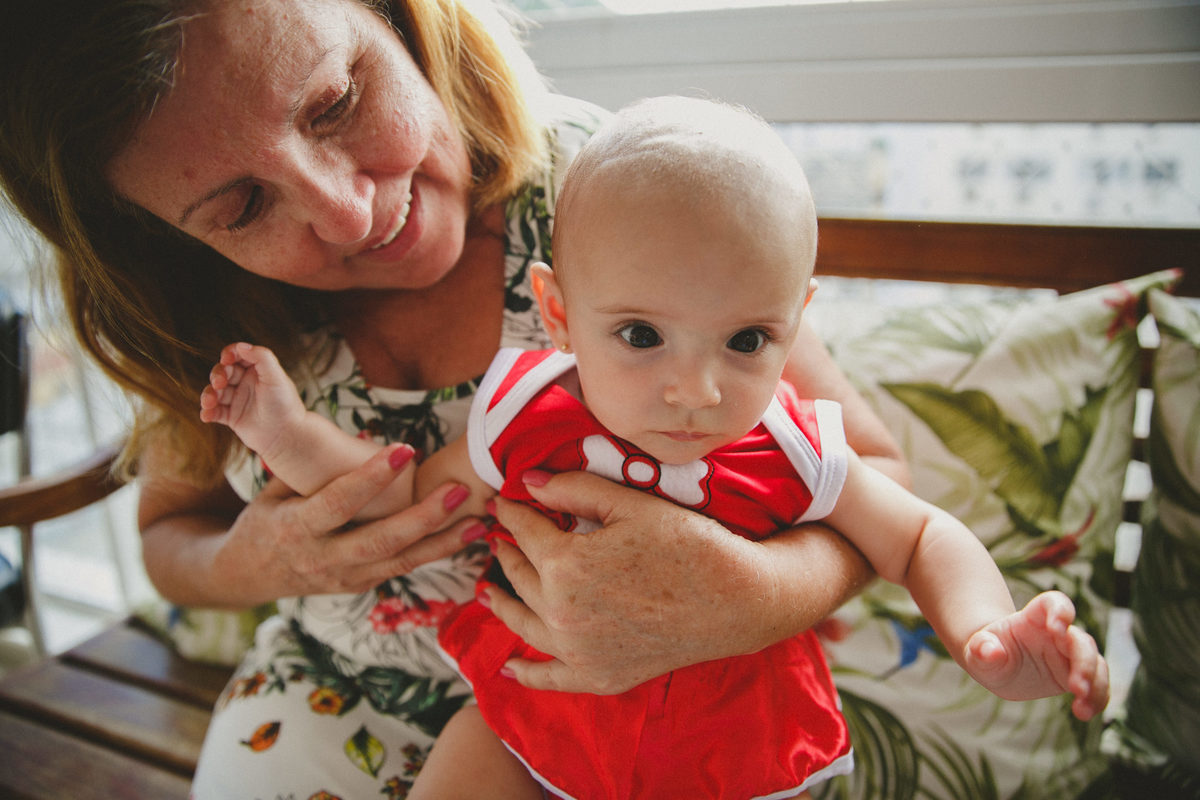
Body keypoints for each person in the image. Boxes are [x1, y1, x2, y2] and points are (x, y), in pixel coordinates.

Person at [0, 1, 911, 796]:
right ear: (163, 238)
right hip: (336, 695)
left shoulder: (617, 191)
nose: (347, 211)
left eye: (335, 103)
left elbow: (874, 475)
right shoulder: (207, 313)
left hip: (648, 700)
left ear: (399, 17)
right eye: (241, 206)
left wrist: (755, 598)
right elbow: (169, 541)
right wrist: (261, 563)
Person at [200, 96, 1110, 800]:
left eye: (748, 341)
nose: (697, 391)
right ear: (556, 314)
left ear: (796, 325)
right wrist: (282, 432)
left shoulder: (792, 447)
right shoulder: (524, 412)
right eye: (641, 336)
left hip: (732, 753)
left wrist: (988, 632)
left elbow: (916, 536)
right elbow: (398, 501)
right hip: (530, 722)